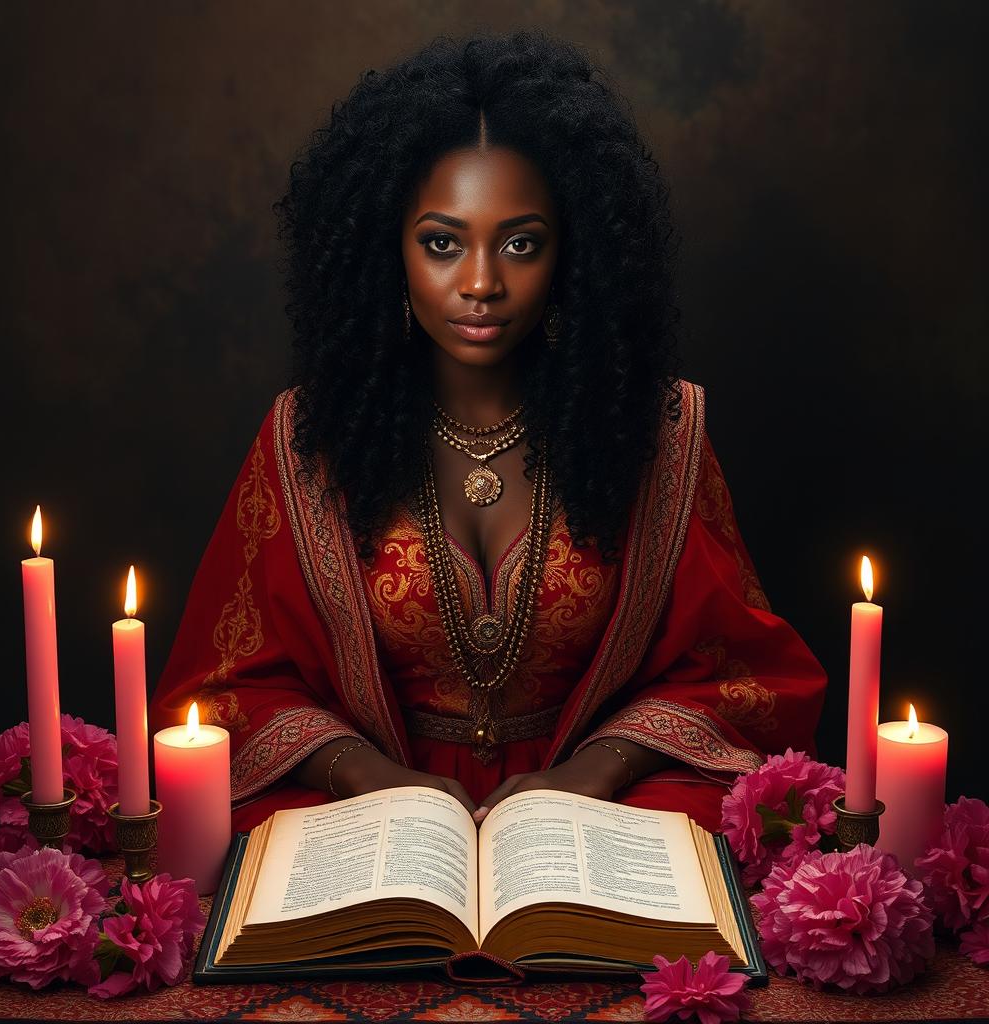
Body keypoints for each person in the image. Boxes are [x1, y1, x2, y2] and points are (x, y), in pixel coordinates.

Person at [149, 29, 826, 837]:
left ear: (572, 255)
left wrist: (589, 774)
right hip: (374, 816)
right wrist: (372, 779)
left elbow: (744, 682)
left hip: (595, 809)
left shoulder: (660, 432)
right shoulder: (309, 438)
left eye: (520, 244)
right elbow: (225, 692)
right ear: (386, 253)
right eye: (442, 243)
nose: (480, 283)